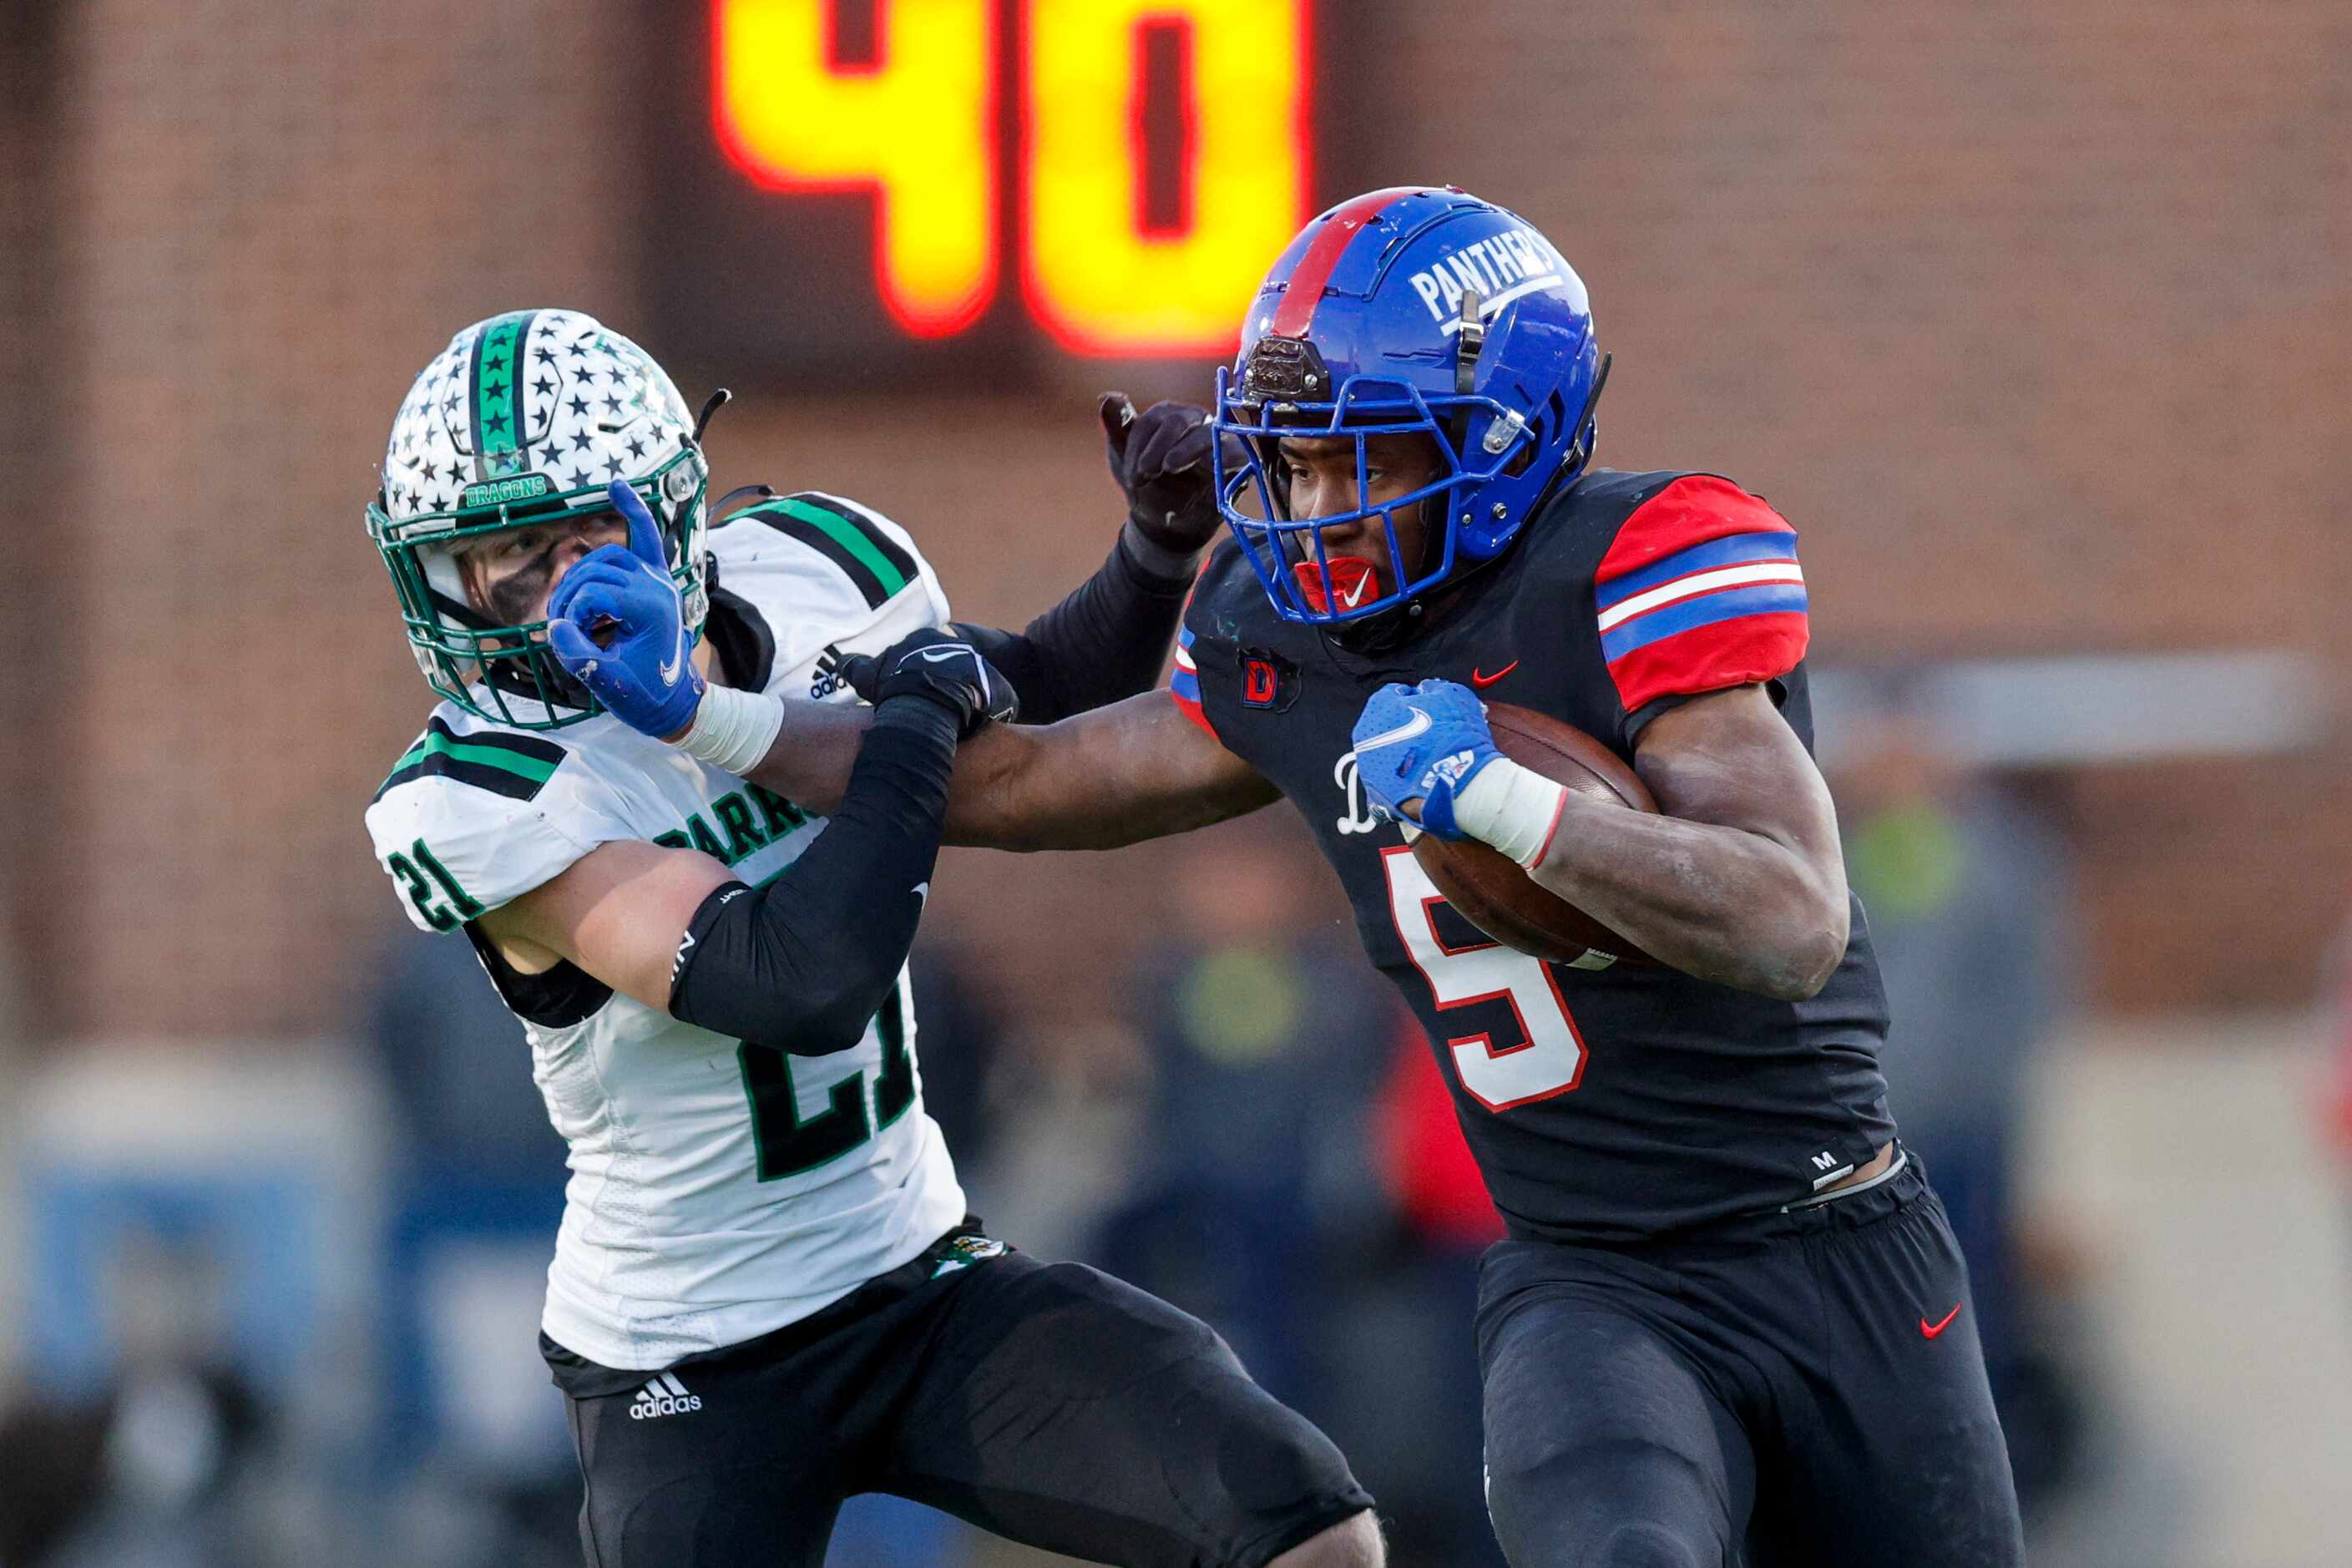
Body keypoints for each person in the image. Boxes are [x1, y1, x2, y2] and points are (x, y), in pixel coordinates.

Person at [564, 190, 2031, 1564]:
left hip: (1842, 1244)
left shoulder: (1638, 560)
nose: (1316, 499)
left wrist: (1507, 802)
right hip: (1592, 1278)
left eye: (1364, 452)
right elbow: (1025, 779)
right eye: (1299, 454)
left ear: (1506, 432)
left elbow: (1787, 918)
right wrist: (710, 717)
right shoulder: (1290, 631)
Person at [362, 309, 1379, 1568]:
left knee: (1301, 1524)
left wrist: (1151, 558)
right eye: (492, 562)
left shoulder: (808, 571)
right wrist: (911, 715)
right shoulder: (478, 792)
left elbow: (1016, 713)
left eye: (568, 547)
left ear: (667, 514)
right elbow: (799, 979)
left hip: (915, 1278)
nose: (533, 603)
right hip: (685, 1360)